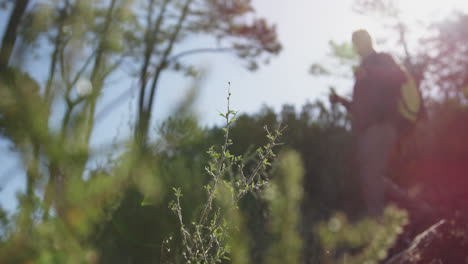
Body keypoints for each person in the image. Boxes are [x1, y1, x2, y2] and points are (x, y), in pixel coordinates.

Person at [330, 29, 408, 217]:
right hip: (367, 131)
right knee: (374, 178)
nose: (357, 45)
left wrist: (369, 73)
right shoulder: (363, 69)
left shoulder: (381, 59)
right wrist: (341, 101)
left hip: (381, 127)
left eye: (359, 40)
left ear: (369, 41)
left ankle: (380, 232)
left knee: (371, 179)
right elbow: (359, 108)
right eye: (354, 42)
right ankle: (416, 211)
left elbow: (400, 77)